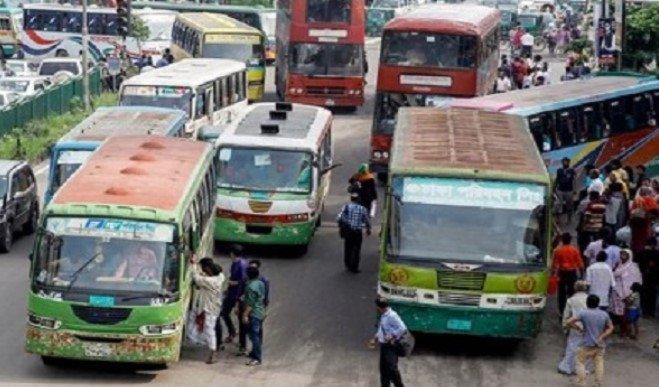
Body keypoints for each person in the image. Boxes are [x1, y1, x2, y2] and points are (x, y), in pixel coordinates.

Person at [567, 295, 614, 387]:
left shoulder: (583, 313)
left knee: (580, 362)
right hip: (600, 344)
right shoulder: (604, 314)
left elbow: (569, 322)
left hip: (586, 343)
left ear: (587, 303)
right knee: (599, 364)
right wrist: (602, 336)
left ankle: (581, 383)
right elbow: (611, 327)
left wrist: (578, 328)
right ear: (598, 303)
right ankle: (597, 384)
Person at [187, 257, 225, 364]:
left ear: (208, 268)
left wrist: (193, 265)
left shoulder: (210, 281)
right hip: (214, 306)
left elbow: (196, 278)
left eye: (203, 268)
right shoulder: (220, 276)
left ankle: (213, 352)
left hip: (210, 308)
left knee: (209, 329)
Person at [368, 298, 407, 387]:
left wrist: (392, 335)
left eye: (377, 306)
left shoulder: (392, 316)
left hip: (391, 346)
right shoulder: (383, 315)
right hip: (384, 346)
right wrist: (375, 338)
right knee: (384, 370)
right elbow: (382, 330)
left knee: (392, 369)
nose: (377, 308)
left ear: (380, 307)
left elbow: (402, 328)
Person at [220, 244, 248, 354]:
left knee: (241, 321)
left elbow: (242, 281)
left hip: (238, 295)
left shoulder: (241, 265)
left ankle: (242, 345)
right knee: (224, 312)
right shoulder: (236, 263)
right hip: (231, 293)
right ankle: (232, 331)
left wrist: (232, 283)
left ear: (232, 253)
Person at [558, 280, 589, 375]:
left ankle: (567, 367)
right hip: (587, 328)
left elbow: (566, 316)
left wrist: (565, 328)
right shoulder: (589, 299)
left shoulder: (571, 300)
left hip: (574, 327)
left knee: (571, 348)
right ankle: (580, 368)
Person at [337, 192, 371, 273]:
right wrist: (368, 229)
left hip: (348, 231)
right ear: (358, 199)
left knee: (348, 248)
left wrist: (343, 224)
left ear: (351, 199)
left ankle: (347, 265)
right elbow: (367, 221)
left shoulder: (346, 207)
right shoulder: (362, 209)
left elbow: (339, 217)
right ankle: (354, 267)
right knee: (356, 249)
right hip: (357, 232)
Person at [611, 249, 642, 336]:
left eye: (625, 255)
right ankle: (622, 329)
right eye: (621, 254)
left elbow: (636, 280)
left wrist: (629, 292)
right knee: (618, 312)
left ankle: (626, 331)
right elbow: (614, 275)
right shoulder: (619, 265)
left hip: (628, 293)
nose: (622, 256)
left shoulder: (633, 267)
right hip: (617, 292)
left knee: (626, 314)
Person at [552, 233, 584, 314]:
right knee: (572, 292)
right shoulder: (575, 250)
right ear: (570, 240)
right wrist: (581, 275)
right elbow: (580, 264)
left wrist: (553, 275)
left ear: (562, 240)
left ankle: (562, 311)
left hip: (562, 273)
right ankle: (572, 310)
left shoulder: (558, 250)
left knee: (561, 293)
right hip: (572, 274)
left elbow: (555, 264)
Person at [242, 265, 266, 366]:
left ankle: (257, 358)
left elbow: (250, 304)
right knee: (258, 335)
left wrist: (245, 315)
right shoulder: (261, 283)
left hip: (254, 313)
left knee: (254, 335)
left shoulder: (250, 287)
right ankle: (254, 353)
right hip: (261, 312)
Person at [636, 237, 659, 317]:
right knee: (652, 294)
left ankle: (645, 311)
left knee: (644, 294)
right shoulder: (656, 253)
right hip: (654, 277)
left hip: (644, 277)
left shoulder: (641, 253)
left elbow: (637, 263)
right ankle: (651, 311)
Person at [248, 259, 269, 342]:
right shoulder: (246, 279)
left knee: (256, 329)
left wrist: (266, 310)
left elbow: (266, 296)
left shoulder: (263, 281)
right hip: (250, 308)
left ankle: (257, 349)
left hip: (257, 309)